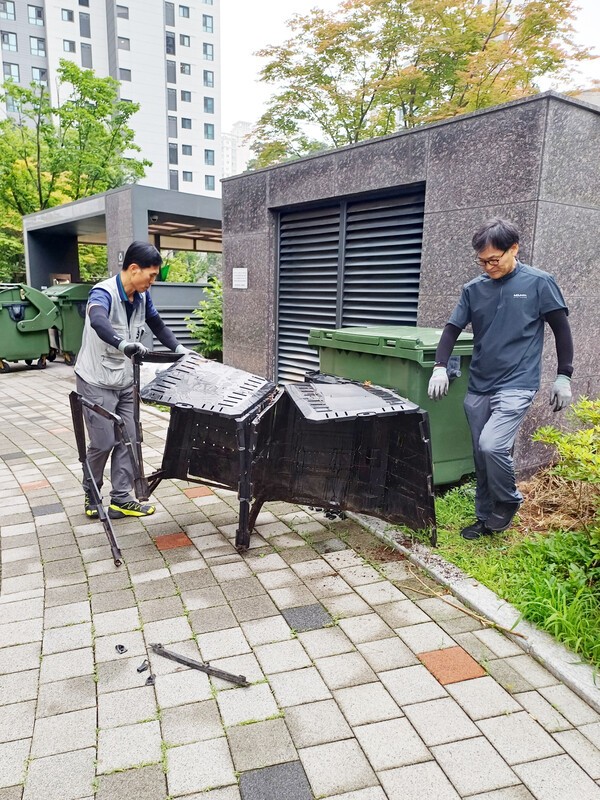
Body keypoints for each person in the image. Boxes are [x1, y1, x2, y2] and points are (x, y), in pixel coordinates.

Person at [427, 218, 573, 540]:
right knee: (481, 456)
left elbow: (561, 329)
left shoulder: (539, 282)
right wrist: (439, 366)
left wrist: (564, 375)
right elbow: (452, 329)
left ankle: (508, 500)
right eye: (482, 261)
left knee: (491, 445)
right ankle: (485, 517)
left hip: (517, 382)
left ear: (514, 249)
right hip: (480, 382)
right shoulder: (474, 289)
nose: (489, 267)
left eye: (494, 260)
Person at [74, 241, 192, 519]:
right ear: (135, 268)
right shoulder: (103, 292)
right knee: (103, 442)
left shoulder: (141, 297)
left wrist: (180, 350)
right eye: (151, 275)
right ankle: (92, 493)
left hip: (125, 380)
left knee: (130, 439)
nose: (152, 281)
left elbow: (158, 325)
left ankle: (121, 499)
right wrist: (122, 343)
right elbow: (98, 320)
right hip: (96, 379)